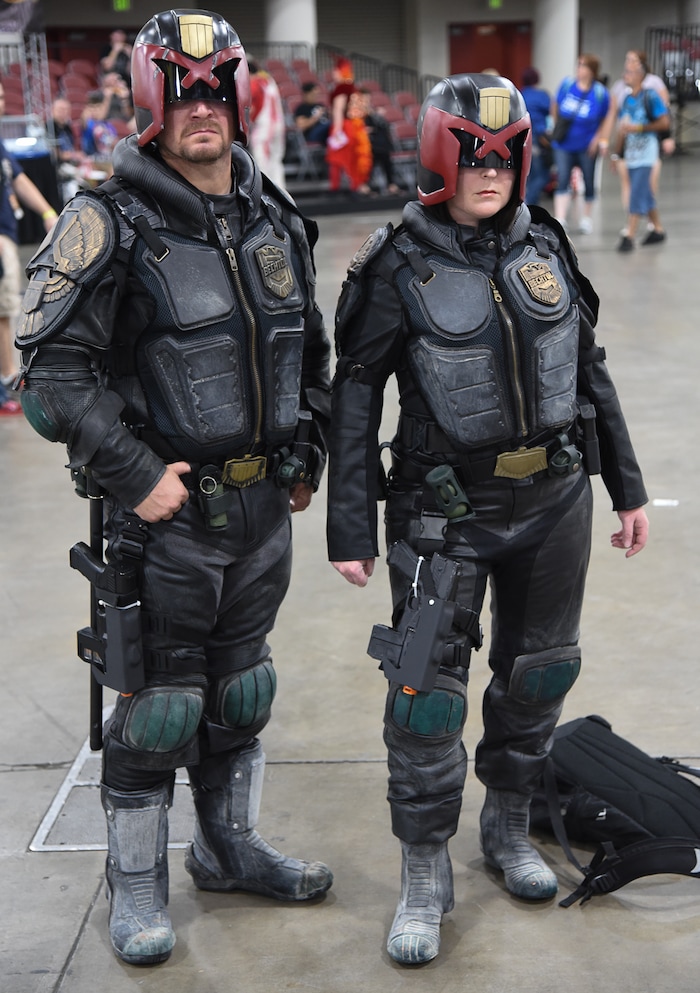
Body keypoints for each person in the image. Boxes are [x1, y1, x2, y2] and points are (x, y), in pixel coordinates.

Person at [15, 8, 332, 967]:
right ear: (153, 99)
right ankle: (138, 884)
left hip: (261, 516)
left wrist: (306, 451)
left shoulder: (273, 216)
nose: (203, 109)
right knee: (161, 707)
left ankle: (227, 850)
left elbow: (309, 350)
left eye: (217, 91)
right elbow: (50, 380)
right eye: (184, 92)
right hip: (164, 523)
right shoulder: (106, 220)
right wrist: (136, 474)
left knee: (242, 690)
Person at [327, 73, 648, 966]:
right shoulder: (395, 263)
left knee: (540, 672)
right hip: (442, 513)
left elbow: (589, 371)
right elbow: (354, 398)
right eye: (474, 155)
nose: (491, 172)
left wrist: (626, 486)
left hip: (555, 500)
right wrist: (351, 527)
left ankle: (507, 827)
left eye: (505, 157)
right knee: (426, 697)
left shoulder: (544, 241)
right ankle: (424, 867)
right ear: (440, 156)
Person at [0, 80, 59, 394]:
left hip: (6, 234)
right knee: (3, 310)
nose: (1, 103)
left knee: (6, 309)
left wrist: (48, 212)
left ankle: (7, 378)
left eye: (1, 97)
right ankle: (8, 378)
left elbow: (19, 178)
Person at [600, 50, 672, 248]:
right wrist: (617, 154)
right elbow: (622, 130)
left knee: (637, 193)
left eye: (630, 72)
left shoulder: (651, 96)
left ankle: (629, 235)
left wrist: (639, 128)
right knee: (645, 193)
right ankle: (658, 229)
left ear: (641, 75)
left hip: (646, 154)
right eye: (625, 72)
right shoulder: (626, 100)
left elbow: (664, 122)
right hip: (631, 155)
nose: (626, 76)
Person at [551, 53, 609, 233]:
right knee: (562, 178)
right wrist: (556, 125)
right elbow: (555, 105)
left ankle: (586, 218)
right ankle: (560, 218)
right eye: (578, 65)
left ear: (592, 70)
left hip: (586, 145)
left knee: (589, 180)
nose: (579, 69)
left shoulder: (600, 93)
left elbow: (604, 119)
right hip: (564, 144)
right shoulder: (567, 85)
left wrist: (598, 139)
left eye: (583, 65)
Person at [325, 57, 372, 194]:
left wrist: (337, 130)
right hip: (355, 126)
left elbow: (338, 110)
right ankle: (355, 185)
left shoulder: (341, 88)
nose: (333, 73)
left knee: (336, 158)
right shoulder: (353, 88)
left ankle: (336, 187)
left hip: (344, 126)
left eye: (335, 70)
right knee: (353, 158)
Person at [248, 59, 286, 188]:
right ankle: (281, 190)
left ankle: (266, 191)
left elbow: (252, 107)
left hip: (264, 127)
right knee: (276, 160)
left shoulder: (254, 83)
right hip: (278, 125)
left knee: (262, 161)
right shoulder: (269, 80)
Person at [520, 67, 552, 206]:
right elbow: (552, 111)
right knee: (541, 175)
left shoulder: (519, 95)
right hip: (538, 139)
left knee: (527, 174)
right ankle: (529, 204)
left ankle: (525, 200)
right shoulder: (542, 96)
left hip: (522, 138)